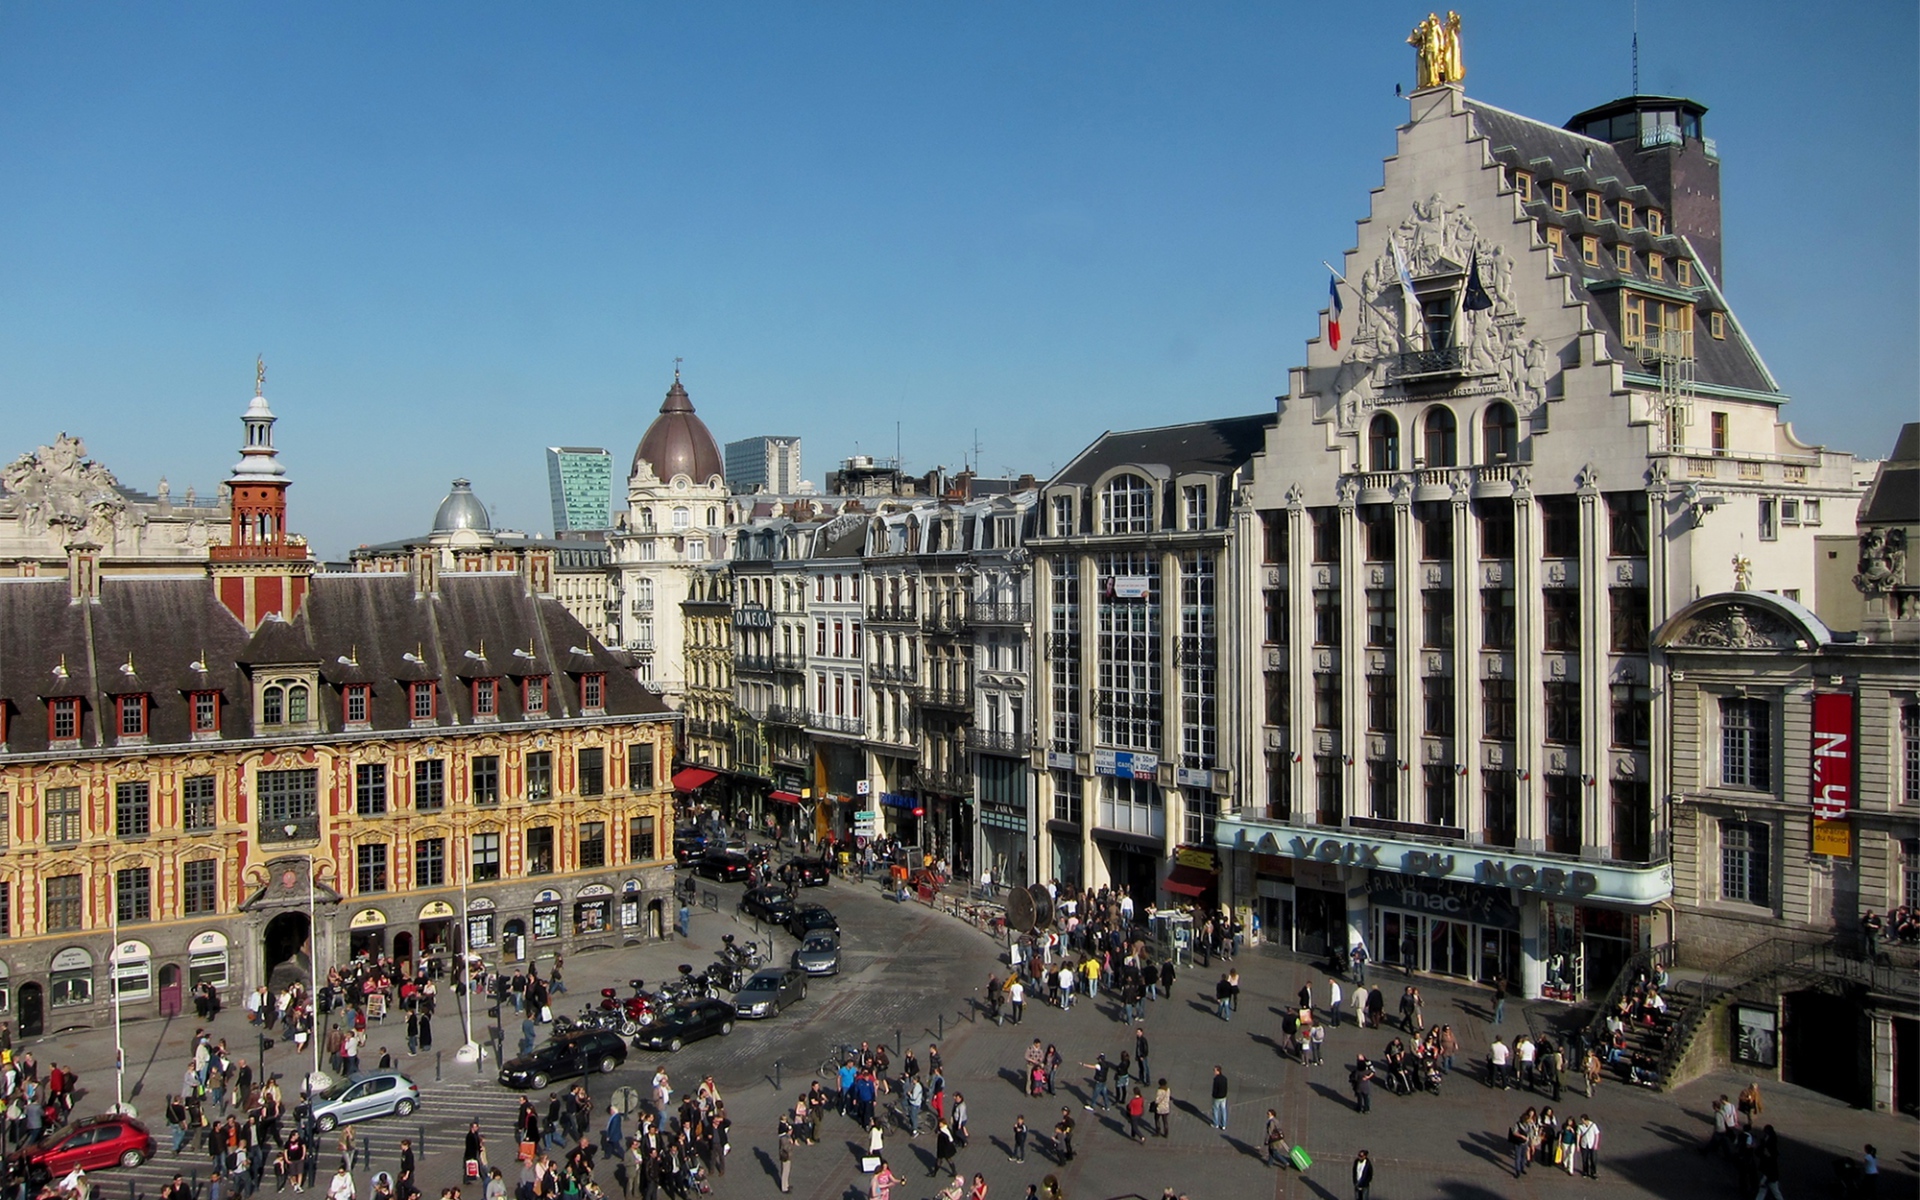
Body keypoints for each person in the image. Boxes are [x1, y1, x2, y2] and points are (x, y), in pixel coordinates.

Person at [1576, 1114, 1600, 1179]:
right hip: (1584, 1144)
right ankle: (1585, 1172)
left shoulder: (1593, 1125)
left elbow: (1597, 1134)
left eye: (1583, 1120)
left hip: (1592, 1144)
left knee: (1593, 1160)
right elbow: (1578, 1135)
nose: (1582, 1122)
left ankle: (1593, 1173)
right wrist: (1578, 1145)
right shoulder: (1580, 1126)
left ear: (1586, 1120)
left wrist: (1596, 1144)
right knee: (1584, 1159)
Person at [1209, 1066, 1229, 1131]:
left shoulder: (1216, 1079)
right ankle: (1224, 1125)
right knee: (1223, 1110)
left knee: (1215, 1109)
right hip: (1223, 1097)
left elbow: (1215, 1089)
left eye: (1215, 1070)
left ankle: (1216, 1124)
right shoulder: (1224, 1078)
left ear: (1218, 1071)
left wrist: (1213, 1095)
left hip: (1217, 1098)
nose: (1214, 1072)